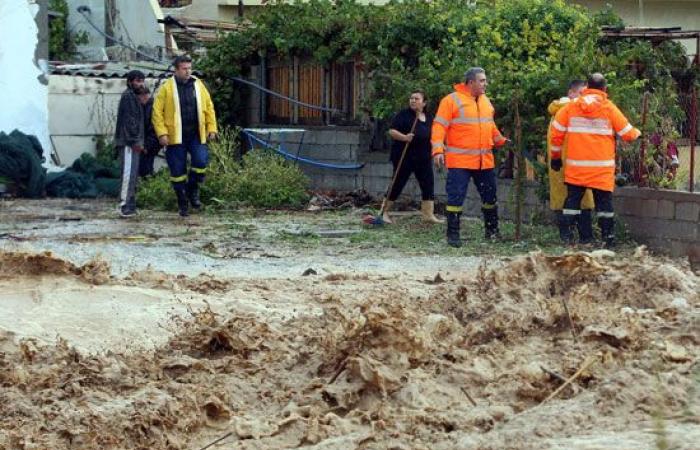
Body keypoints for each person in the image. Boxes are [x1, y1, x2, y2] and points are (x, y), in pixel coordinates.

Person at [550, 73, 641, 248]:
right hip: (601, 170)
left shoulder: (570, 107)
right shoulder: (609, 107)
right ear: (604, 89)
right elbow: (627, 133)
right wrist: (638, 134)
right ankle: (608, 241)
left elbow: (556, 135)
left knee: (572, 202)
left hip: (577, 168)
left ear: (586, 88)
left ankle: (568, 239)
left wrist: (555, 158)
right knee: (604, 207)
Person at [431, 67, 508, 247]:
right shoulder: (451, 100)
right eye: (482, 81)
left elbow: (490, 126)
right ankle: (453, 235)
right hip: (460, 162)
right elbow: (439, 127)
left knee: (490, 198)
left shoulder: (486, 102)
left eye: (485, 80)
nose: (485, 84)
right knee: (455, 199)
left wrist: (501, 140)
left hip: (484, 162)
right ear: (470, 82)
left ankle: (492, 231)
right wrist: (437, 150)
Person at [152, 55, 218, 217]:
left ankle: (192, 191)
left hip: (196, 134)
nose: (188, 71)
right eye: (184, 68)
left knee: (201, 162)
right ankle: (182, 201)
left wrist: (212, 128)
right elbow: (157, 113)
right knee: (177, 171)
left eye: (190, 68)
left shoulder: (198, 84)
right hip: (175, 137)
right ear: (176, 70)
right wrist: (162, 133)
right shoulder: (166, 88)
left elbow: (209, 107)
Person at [382, 90, 443, 224]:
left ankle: (428, 214)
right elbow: (392, 131)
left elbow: (433, 135)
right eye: (411, 98)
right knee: (397, 183)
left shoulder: (429, 117)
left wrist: (437, 150)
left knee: (428, 184)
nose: (413, 101)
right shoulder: (403, 115)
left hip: (423, 157)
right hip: (404, 156)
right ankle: (384, 212)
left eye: (416, 99)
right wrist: (404, 137)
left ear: (424, 102)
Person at [546, 79, 595, 243]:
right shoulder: (567, 112)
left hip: (570, 164)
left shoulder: (560, 112)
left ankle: (573, 237)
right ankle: (579, 237)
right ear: (570, 93)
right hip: (570, 164)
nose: (583, 98)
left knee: (571, 200)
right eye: (580, 93)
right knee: (576, 201)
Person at [114, 70, 146, 217]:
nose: (140, 84)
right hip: (129, 142)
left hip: (132, 142)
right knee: (128, 174)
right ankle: (124, 205)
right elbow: (130, 122)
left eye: (142, 81)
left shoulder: (133, 97)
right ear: (130, 82)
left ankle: (130, 204)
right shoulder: (128, 97)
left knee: (132, 174)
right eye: (138, 81)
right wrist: (135, 141)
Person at [135, 86, 160, 177]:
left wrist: (147, 146)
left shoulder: (152, 108)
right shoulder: (144, 107)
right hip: (146, 144)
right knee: (144, 168)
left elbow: (153, 129)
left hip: (150, 144)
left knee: (145, 169)